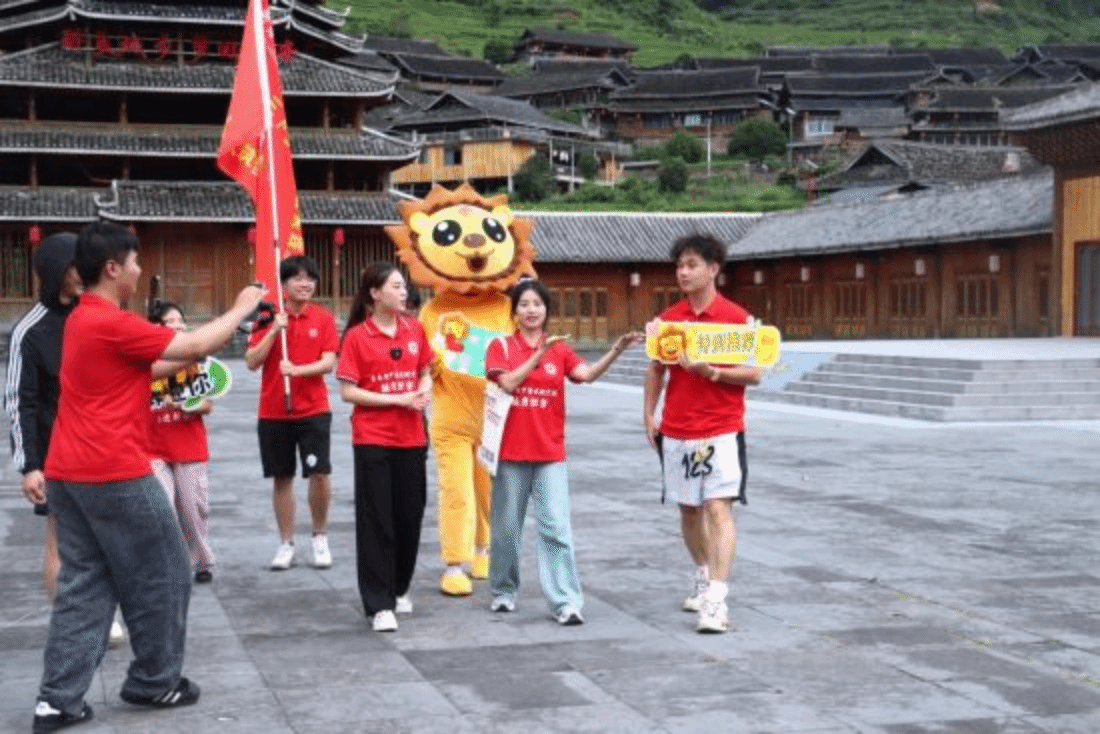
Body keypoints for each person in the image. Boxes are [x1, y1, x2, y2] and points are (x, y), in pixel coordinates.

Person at [31, 221, 264, 733]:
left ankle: (58, 700)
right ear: (113, 268)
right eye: (135, 262)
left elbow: (142, 367)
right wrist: (242, 307)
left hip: (69, 471)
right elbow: (192, 344)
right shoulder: (110, 321)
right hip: (114, 469)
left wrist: (187, 354)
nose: (141, 270)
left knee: (86, 584)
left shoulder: (81, 320)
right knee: (168, 571)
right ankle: (154, 679)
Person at [485, 279, 642, 625]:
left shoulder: (560, 349)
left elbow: (585, 375)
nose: (531, 310)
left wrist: (616, 350)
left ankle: (565, 601)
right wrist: (537, 355)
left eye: (537, 304)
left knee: (556, 527)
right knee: (506, 529)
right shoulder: (501, 346)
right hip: (510, 453)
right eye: (524, 304)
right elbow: (507, 383)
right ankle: (503, 590)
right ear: (514, 311)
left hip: (549, 454)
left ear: (546, 311)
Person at [642, 233, 761, 635]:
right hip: (677, 429)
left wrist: (710, 371)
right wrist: (649, 415)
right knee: (689, 510)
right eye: (679, 265)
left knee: (717, 508)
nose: (683, 272)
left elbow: (755, 373)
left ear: (713, 269)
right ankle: (703, 574)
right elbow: (656, 370)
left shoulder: (736, 319)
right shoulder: (669, 320)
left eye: (692, 265)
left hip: (722, 429)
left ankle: (716, 601)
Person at [336, 263, 432, 632]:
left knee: (410, 516)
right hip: (373, 438)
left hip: (412, 436)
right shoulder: (357, 337)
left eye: (404, 286)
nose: (403, 292)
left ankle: (399, 586)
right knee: (376, 520)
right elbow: (348, 392)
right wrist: (396, 400)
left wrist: (422, 390)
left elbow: (425, 370)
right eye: (395, 286)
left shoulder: (414, 329)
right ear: (375, 293)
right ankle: (379, 603)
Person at [244, 255, 339, 571]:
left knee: (319, 473)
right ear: (283, 284)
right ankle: (286, 543)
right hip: (274, 412)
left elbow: (328, 362)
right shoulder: (267, 318)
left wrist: (297, 370)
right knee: (282, 477)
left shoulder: (323, 319)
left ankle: (320, 536)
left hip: (313, 410)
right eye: (298, 278)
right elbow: (251, 361)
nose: (305, 284)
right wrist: (274, 330)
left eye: (310, 278)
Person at [148, 302, 216, 584]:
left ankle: (201, 562)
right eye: (170, 320)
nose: (177, 325)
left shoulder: (196, 359)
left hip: (189, 445)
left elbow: (208, 405)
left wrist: (187, 404)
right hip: (151, 446)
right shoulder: (145, 359)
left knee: (192, 510)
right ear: (156, 327)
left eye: (180, 320)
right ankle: (167, 564)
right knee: (161, 507)